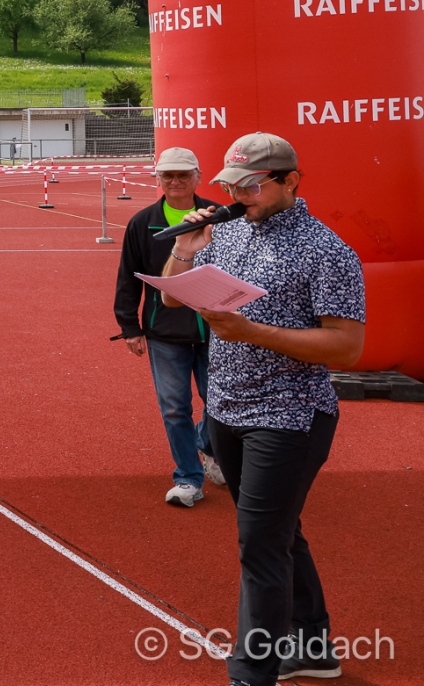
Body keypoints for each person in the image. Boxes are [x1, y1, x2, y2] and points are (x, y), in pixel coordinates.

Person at [161, 132, 365, 686]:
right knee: (279, 533)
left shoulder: (327, 251)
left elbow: (347, 346)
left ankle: (252, 673)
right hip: (226, 409)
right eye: (231, 186)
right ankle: (314, 647)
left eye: (250, 186)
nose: (238, 196)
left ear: (290, 181)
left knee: (260, 544)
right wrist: (188, 247)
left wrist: (252, 331)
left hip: (290, 416)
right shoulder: (224, 231)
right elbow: (173, 296)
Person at [113, 147, 228, 506]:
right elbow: (128, 277)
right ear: (158, 178)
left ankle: (207, 445)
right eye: (168, 175)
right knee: (175, 408)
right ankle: (188, 478)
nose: (175, 181)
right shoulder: (142, 222)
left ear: (197, 176)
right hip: (164, 331)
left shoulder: (220, 217)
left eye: (183, 174)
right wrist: (130, 326)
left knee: (220, 402)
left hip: (216, 329)